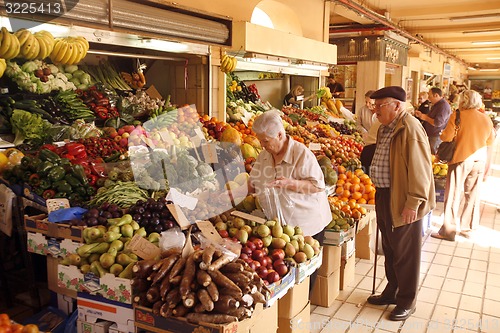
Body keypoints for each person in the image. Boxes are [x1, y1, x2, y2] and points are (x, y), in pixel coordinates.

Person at [367, 86, 435, 321]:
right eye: (374, 106)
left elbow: (421, 169)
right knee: (390, 248)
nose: (375, 111)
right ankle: (392, 291)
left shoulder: (410, 128)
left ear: (397, 105)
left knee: (406, 253)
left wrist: (413, 202)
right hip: (384, 194)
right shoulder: (386, 127)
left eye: (380, 106)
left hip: (403, 198)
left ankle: (407, 300)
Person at [431, 90, 495, 241]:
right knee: (472, 195)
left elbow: (446, 136)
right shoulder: (486, 118)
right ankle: (469, 229)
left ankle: (448, 231)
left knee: (453, 194)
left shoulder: (458, 115)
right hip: (479, 161)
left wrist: (442, 134)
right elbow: (489, 141)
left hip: (460, 159)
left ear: (463, 101)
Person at [415, 87, 452, 154]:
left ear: (436, 95)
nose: (428, 98)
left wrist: (424, 118)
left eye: (429, 96)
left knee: (432, 155)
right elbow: (431, 117)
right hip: (431, 134)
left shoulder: (443, 106)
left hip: (435, 136)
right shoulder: (436, 105)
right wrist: (421, 115)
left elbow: (438, 123)